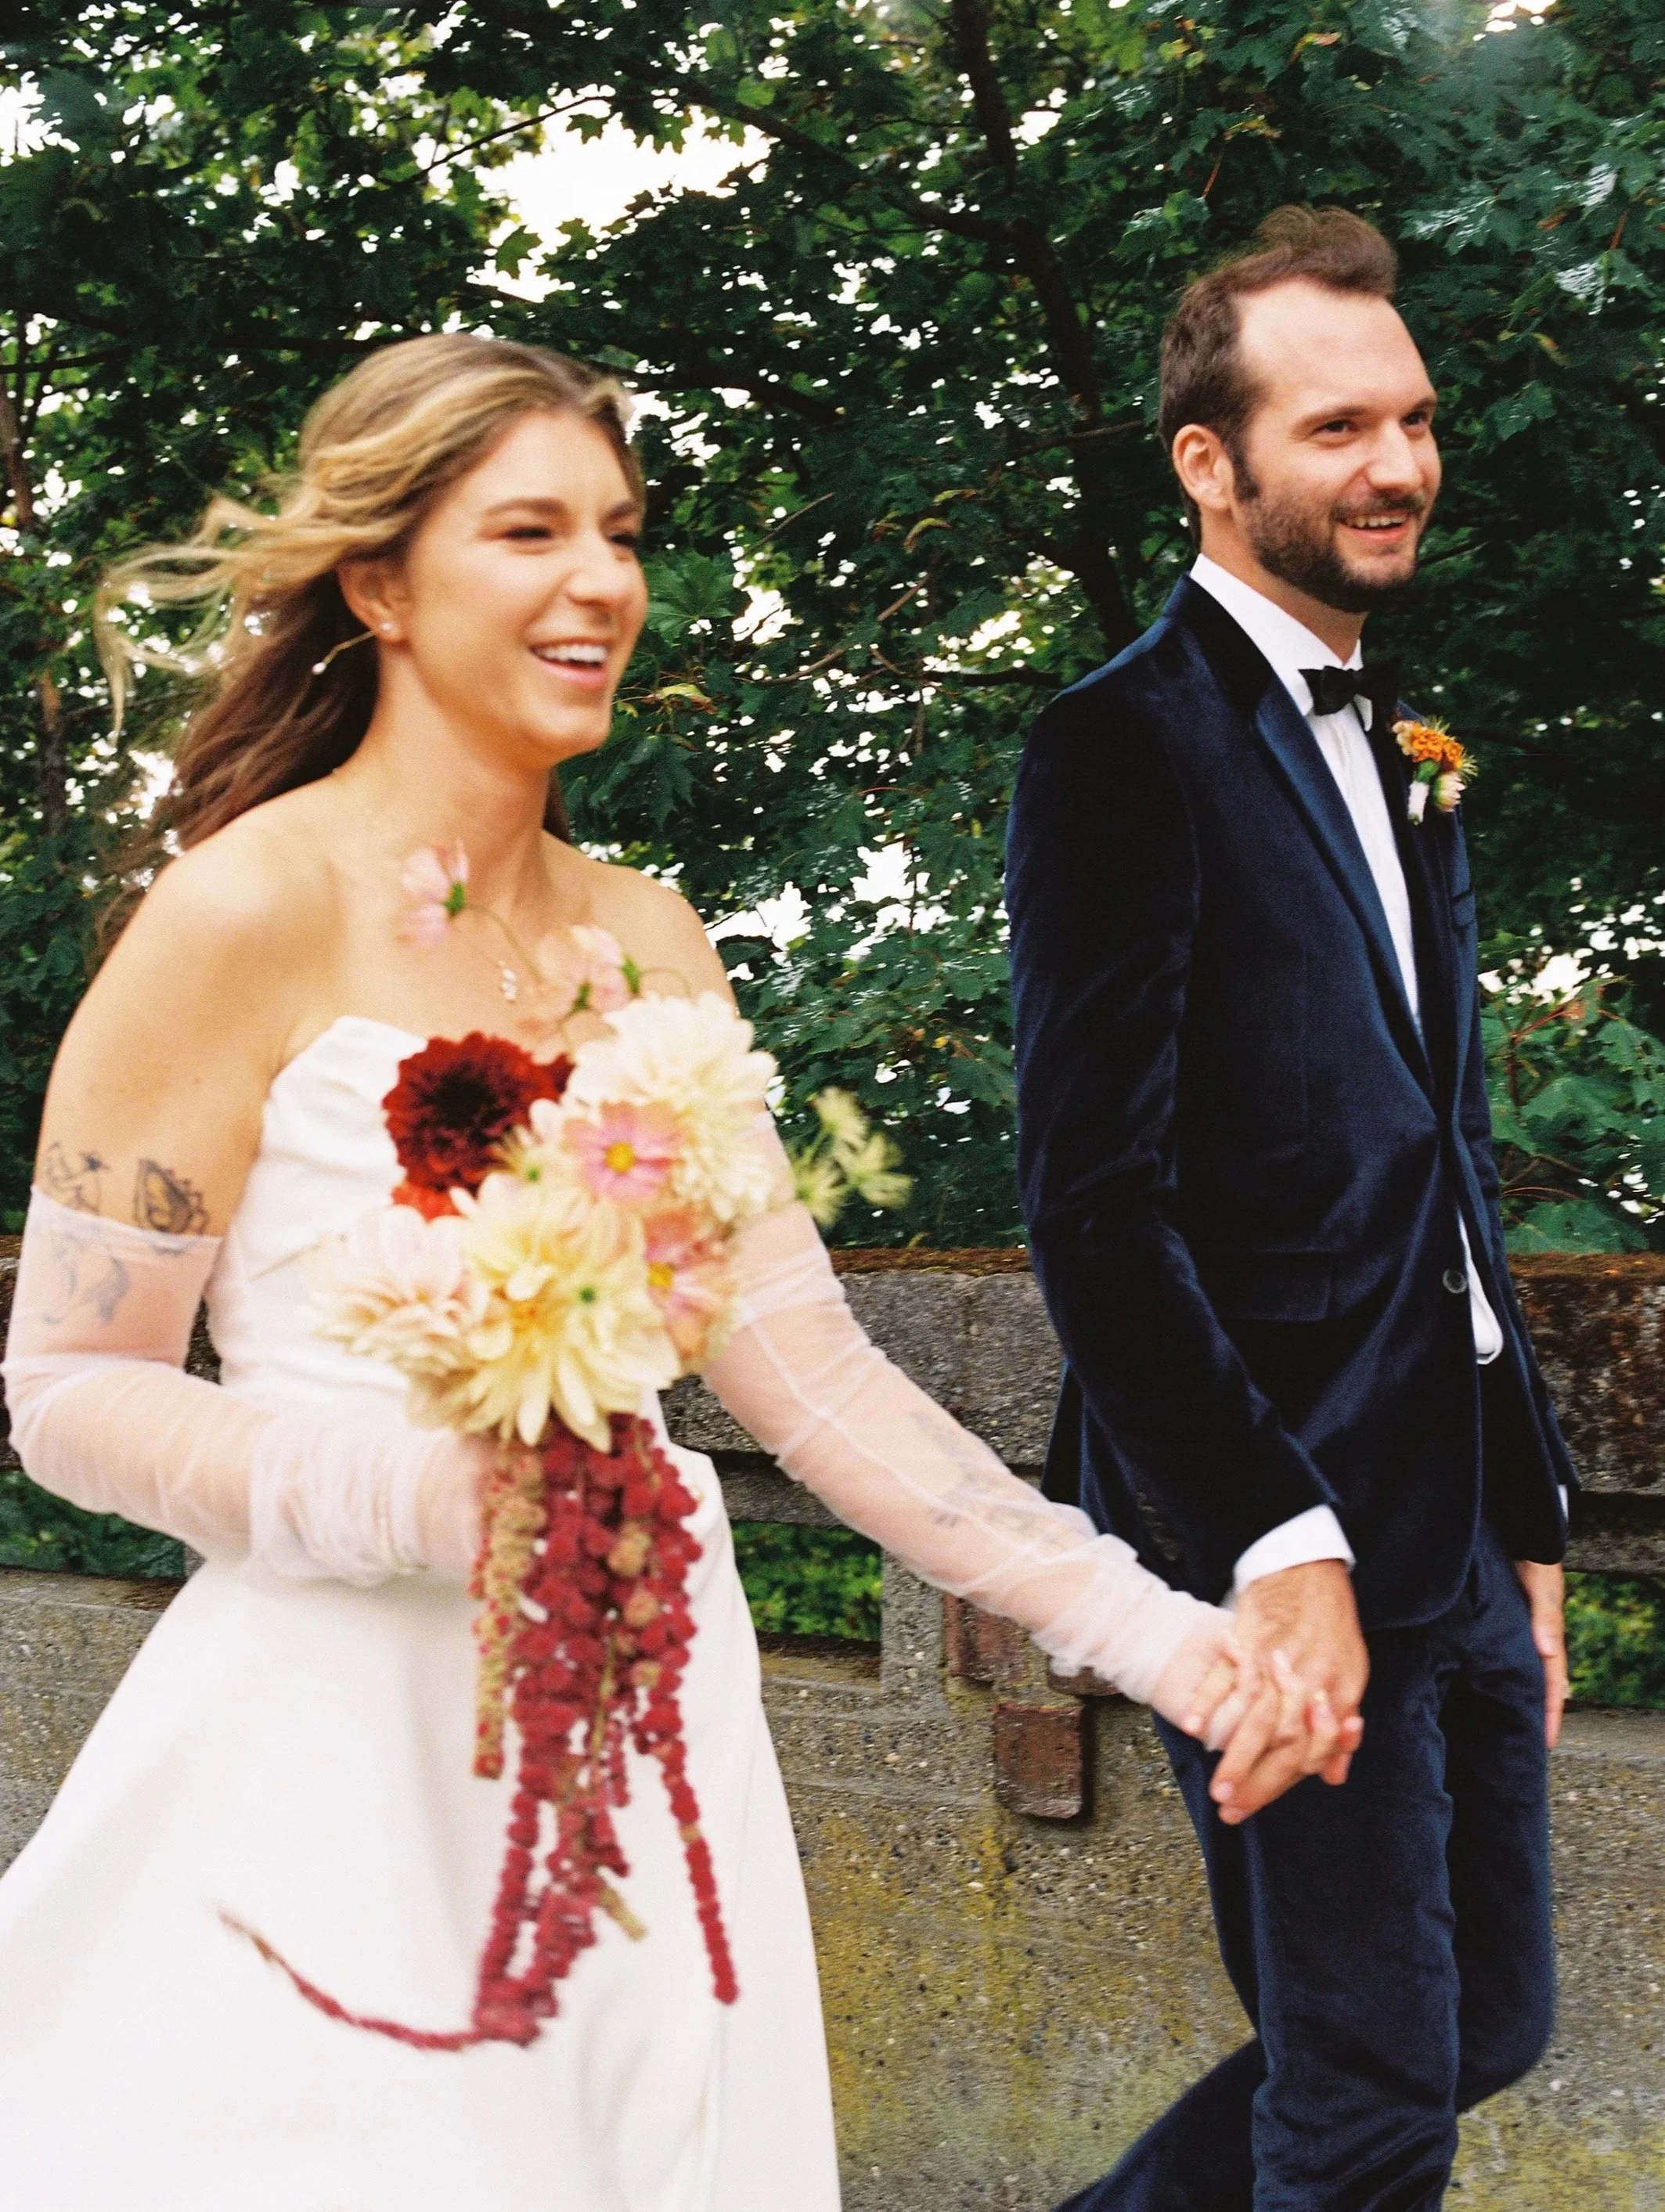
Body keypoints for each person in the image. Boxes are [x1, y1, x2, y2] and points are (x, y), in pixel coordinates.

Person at [0, 334, 1339, 2212]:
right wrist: (417, 1495)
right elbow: (65, 1387)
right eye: (529, 530)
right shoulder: (242, 908)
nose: (601, 582)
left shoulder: (648, 943)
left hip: (638, 1749)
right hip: (331, 1755)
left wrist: (1172, 1643)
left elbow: (817, 1381)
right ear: (380, 585)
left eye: (619, 534)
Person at [1007, 206, 1577, 2212]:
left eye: (1413, 420)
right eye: (1338, 427)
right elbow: (1090, 1208)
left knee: (1481, 2029)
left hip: (1454, 1526)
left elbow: (1447, 1165)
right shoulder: (1113, 747)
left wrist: (1526, 1516)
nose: (1399, 466)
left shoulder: (1405, 756)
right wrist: (1274, 1541)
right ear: (1208, 461)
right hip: (1270, 1533)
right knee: (1365, 2096)